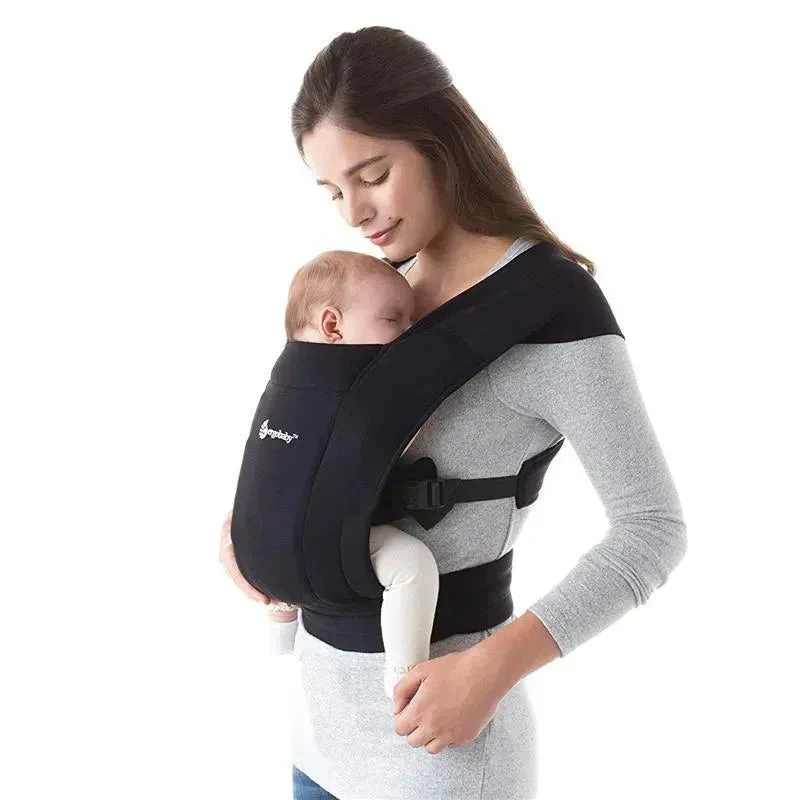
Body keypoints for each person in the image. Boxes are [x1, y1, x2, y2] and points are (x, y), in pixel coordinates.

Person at [218, 26, 688, 800]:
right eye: (333, 191)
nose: (354, 212)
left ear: (439, 140)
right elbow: (330, 456)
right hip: (315, 735)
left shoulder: (549, 308)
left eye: (373, 175)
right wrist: (262, 525)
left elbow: (653, 529)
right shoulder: (378, 289)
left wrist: (492, 669)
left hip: (440, 760)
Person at [236, 248, 439, 700]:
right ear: (333, 325)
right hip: (317, 551)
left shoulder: (287, 378)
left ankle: (280, 627)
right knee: (412, 565)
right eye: (394, 320)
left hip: (255, 551)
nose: (409, 332)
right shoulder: (359, 387)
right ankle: (404, 675)